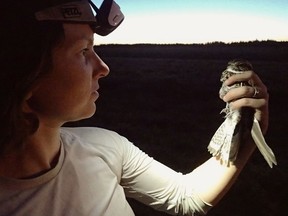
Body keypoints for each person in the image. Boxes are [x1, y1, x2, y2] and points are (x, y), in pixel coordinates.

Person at [0, 0, 270, 215]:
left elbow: (186, 196)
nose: (103, 68)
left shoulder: (104, 146)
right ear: (25, 78)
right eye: (83, 51)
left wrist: (248, 128)